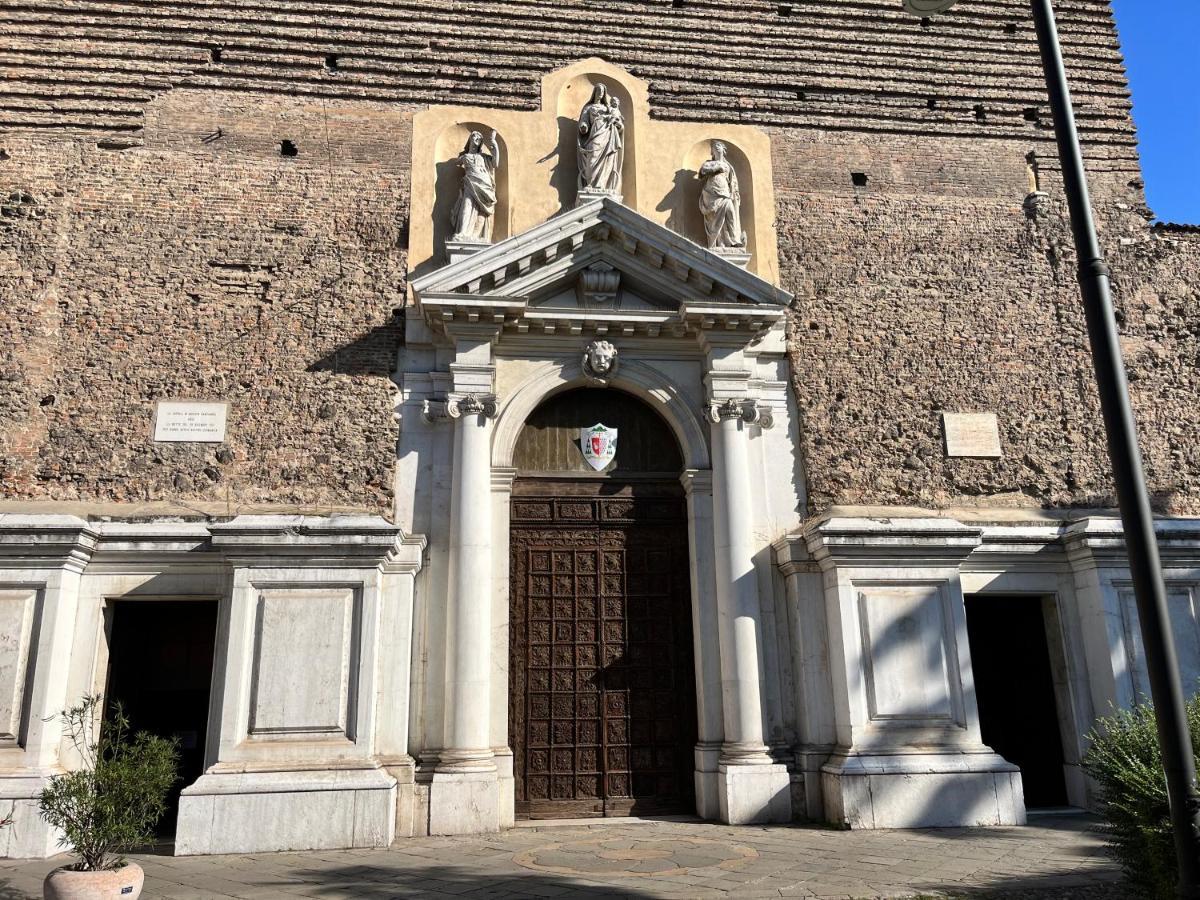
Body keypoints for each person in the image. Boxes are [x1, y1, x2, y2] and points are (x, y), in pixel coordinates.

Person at [451, 130, 499, 241]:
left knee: (483, 210)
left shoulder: (484, 157)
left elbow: (495, 163)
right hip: (470, 182)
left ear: (481, 142)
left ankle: (475, 236)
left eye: (479, 137)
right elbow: (457, 162)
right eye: (474, 136)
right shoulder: (465, 157)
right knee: (467, 205)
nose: (476, 138)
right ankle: (462, 232)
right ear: (470, 139)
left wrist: (494, 144)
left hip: (485, 183)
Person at [698, 140, 747, 250]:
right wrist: (716, 168)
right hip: (712, 194)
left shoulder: (728, 166)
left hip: (725, 192)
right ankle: (717, 243)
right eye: (715, 146)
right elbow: (701, 173)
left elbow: (732, 182)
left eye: (719, 146)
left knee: (731, 214)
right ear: (712, 151)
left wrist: (735, 194)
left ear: (724, 150)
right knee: (715, 218)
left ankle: (734, 241)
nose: (717, 147)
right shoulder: (709, 163)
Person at [577, 84, 624, 194]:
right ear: (594, 92)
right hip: (594, 135)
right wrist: (584, 126)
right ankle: (590, 184)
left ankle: (601, 184)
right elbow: (584, 121)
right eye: (598, 90)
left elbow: (619, 124)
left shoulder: (608, 108)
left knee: (607, 159)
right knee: (592, 157)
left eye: (602, 91)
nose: (600, 93)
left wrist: (618, 124)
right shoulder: (588, 107)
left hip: (607, 135)